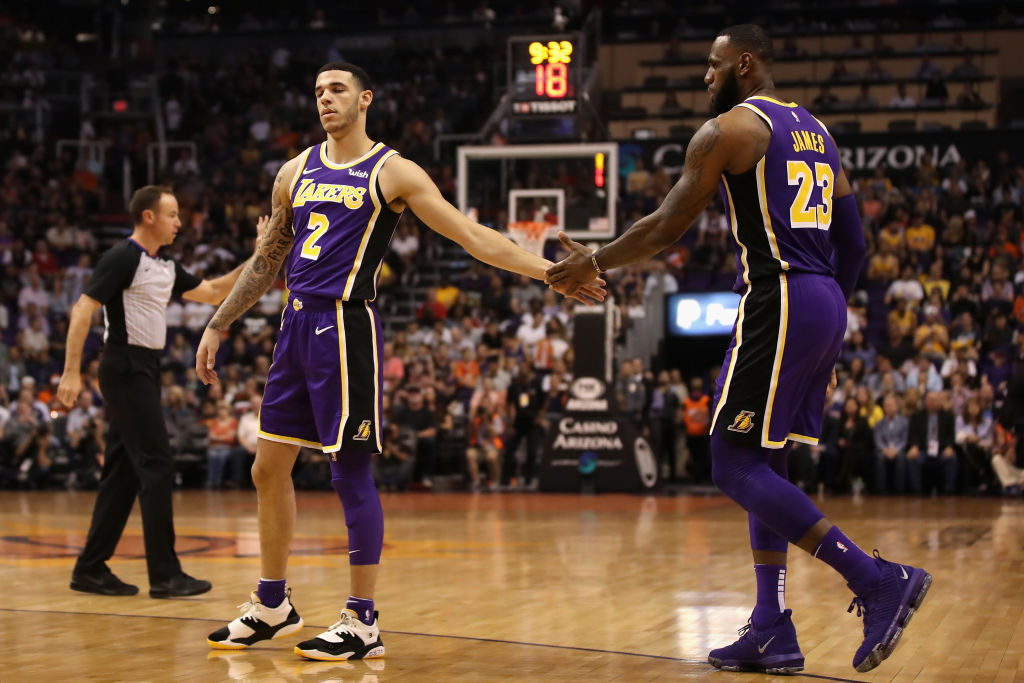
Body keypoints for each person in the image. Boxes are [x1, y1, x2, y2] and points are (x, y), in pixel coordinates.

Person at [546, 24, 930, 675]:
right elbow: (856, 246)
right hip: (825, 297)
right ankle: (771, 626)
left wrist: (595, 259)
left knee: (729, 462)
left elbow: (667, 225)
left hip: (778, 296)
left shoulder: (730, 130)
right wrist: (829, 325)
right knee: (765, 464)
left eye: (712, 64)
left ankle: (875, 578)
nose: (705, 76)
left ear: (743, 64)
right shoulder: (818, 131)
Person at [197, 62, 604, 660]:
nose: (325, 100)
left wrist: (548, 273)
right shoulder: (294, 171)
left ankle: (362, 621)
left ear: (365, 99)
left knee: (349, 473)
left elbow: (473, 236)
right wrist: (218, 321)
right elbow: (268, 259)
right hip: (295, 325)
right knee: (266, 469)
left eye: (336, 90)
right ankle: (272, 603)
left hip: (345, 327)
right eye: (317, 92)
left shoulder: (393, 172)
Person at [57, 185, 257, 598]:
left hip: (145, 368)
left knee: (124, 471)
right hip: (124, 366)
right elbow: (82, 309)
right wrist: (71, 372)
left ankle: (90, 568)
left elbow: (215, 291)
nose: (179, 223)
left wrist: (258, 255)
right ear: (149, 217)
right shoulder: (121, 257)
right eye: (172, 214)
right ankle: (165, 575)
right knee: (158, 464)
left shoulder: (164, 265)